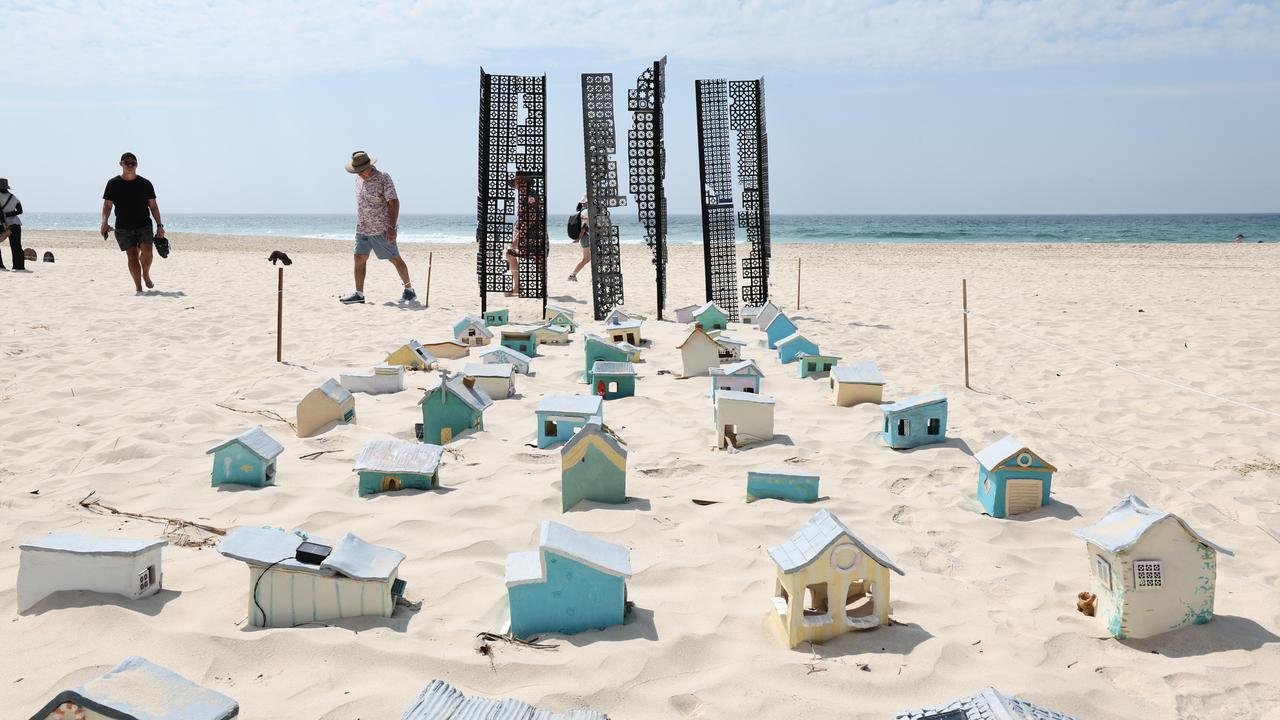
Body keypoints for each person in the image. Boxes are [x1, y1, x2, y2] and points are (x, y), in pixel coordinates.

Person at [340, 150, 414, 304]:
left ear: (369, 166)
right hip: (362, 228)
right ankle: (359, 294)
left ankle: (409, 290)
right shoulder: (358, 180)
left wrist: (392, 227)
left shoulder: (383, 178)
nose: (359, 174)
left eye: (361, 170)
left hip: (381, 229)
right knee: (359, 257)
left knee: (394, 259)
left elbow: (394, 202)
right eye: (356, 171)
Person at [101, 152, 165, 293]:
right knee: (132, 256)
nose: (130, 165)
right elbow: (107, 206)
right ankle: (138, 287)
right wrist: (104, 222)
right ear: (121, 164)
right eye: (127, 163)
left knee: (147, 253)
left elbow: (153, 206)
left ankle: (146, 275)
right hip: (123, 227)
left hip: (144, 225)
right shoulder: (113, 184)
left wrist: (160, 225)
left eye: (133, 163)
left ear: (136, 164)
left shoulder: (145, 184)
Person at [505, 175, 543, 297]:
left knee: (538, 260)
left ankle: (543, 289)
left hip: (533, 234)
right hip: (523, 232)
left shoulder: (531, 195)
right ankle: (517, 287)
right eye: (515, 182)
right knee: (510, 255)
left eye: (518, 181)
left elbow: (531, 218)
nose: (516, 184)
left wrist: (517, 238)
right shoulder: (523, 196)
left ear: (524, 182)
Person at [0, 178, 25, 271]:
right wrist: (10, 214)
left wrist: (4, 223)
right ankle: (19, 266)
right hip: (16, 223)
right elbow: (20, 211)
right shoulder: (13, 197)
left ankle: (1, 265)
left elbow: (0, 213)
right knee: (16, 246)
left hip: (3, 224)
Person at [568, 194, 591, 282]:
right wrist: (579, 238)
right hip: (586, 237)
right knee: (590, 258)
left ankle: (572, 275)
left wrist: (579, 238)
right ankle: (572, 275)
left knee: (587, 259)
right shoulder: (585, 212)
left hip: (585, 238)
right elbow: (584, 227)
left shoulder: (583, 211)